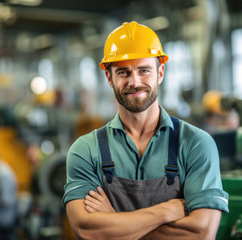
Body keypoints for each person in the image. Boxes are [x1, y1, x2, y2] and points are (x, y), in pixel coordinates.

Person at [63, 21, 229, 239]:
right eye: (123, 72)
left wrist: (114, 219)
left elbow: (202, 232)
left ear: (160, 72)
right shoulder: (86, 150)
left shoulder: (196, 143)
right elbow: (87, 230)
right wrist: (165, 211)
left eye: (144, 70)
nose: (135, 82)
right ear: (109, 78)